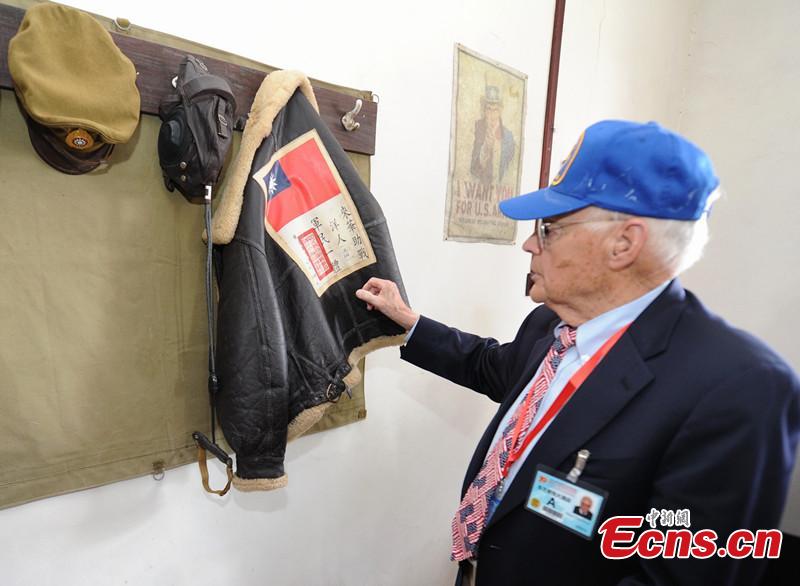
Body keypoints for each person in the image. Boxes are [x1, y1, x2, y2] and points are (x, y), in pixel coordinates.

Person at [356, 120, 800, 586]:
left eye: (548, 228)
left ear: (623, 243)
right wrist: (410, 323)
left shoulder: (739, 389)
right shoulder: (553, 324)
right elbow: (495, 368)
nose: (529, 243)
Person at [470, 85, 515, 184]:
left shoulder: (508, 136)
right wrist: (485, 149)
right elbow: (473, 170)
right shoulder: (476, 128)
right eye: (489, 109)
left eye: (495, 110)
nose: (492, 114)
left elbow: (508, 168)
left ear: (500, 111)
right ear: (484, 110)